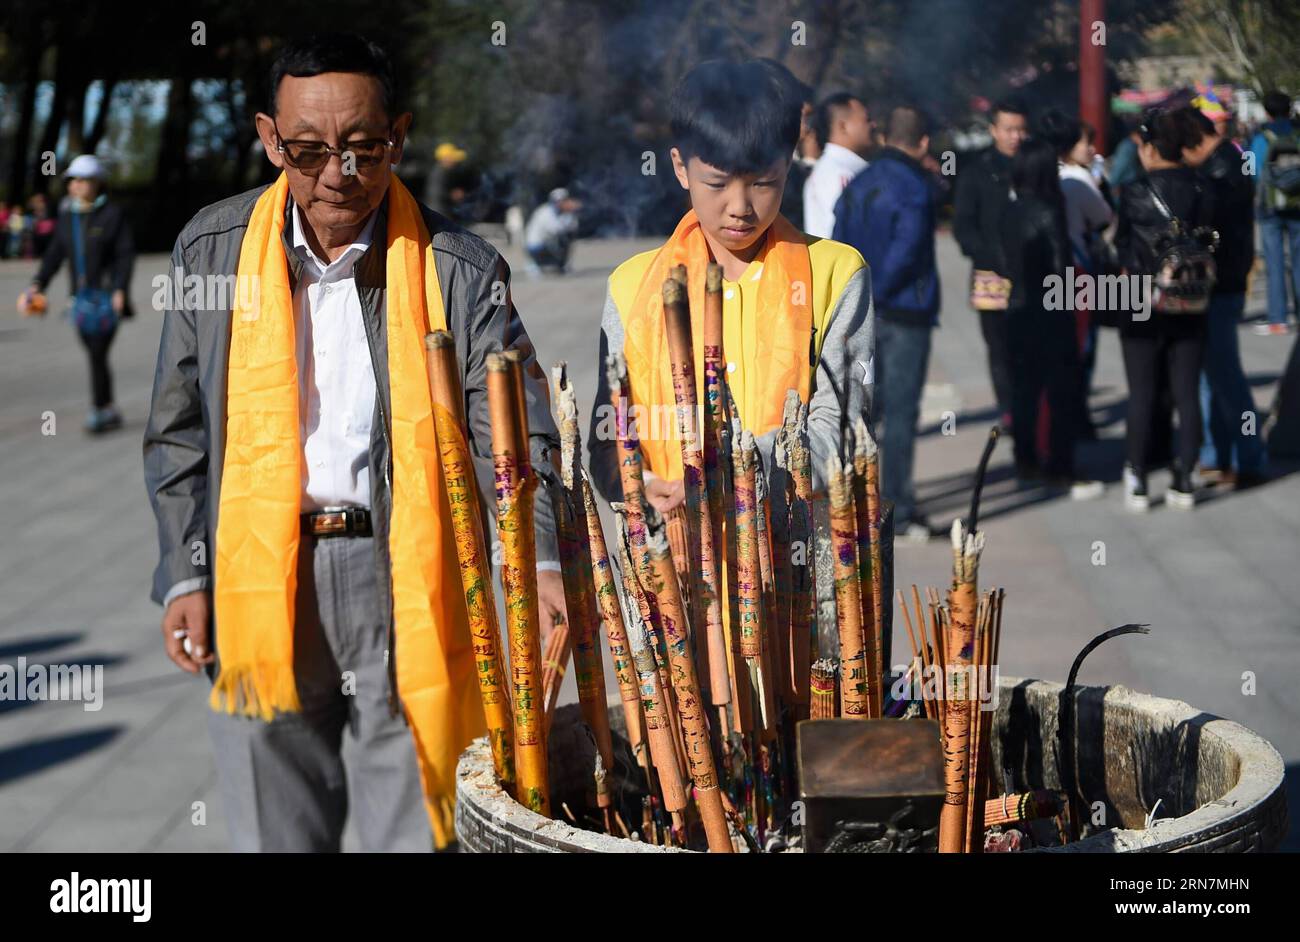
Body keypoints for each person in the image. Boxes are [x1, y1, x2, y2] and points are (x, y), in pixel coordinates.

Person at [142, 32, 568, 852]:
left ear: (398, 135)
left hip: (412, 574)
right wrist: (184, 570)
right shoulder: (211, 251)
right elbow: (177, 431)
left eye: (363, 149)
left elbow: (515, 436)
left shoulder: (459, 268)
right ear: (269, 139)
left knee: (414, 818)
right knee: (274, 825)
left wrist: (537, 561)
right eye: (306, 151)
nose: (337, 173)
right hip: (259, 574)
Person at [587, 58, 873, 519]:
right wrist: (639, 484)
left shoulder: (835, 273)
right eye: (717, 183)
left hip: (798, 564)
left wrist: (726, 472)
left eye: (763, 183)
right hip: (678, 564)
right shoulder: (632, 285)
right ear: (681, 167)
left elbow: (842, 431)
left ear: (789, 164)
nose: (739, 207)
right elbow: (609, 432)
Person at [832, 105, 940, 541]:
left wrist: (859, 292)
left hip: (860, 312)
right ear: (924, 142)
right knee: (900, 410)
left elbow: (836, 243)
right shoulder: (914, 186)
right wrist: (882, 287)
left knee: (862, 408)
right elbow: (909, 247)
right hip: (904, 311)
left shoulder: (858, 184)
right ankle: (897, 503)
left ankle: (857, 500)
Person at [1114, 108, 1214, 511]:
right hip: (1190, 297)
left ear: (1151, 148)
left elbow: (1121, 244)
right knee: (1186, 390)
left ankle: (1137, 477)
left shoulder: (1135, 192)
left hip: (1139, 298)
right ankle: (1185, 477)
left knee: (1141, 392)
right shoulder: (1202, 188)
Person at [999, 138, 1102, 499]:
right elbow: (1060, 267)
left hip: (1016, 308)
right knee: (1061, 392)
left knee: (1024, 391)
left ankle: (1025, 460)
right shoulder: (1049, 209)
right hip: (1050, 311)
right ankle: (1061, 465)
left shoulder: (1009, 209)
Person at [1181, 105, 1267, 488]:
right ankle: (1217, 455)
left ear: (1194, 142)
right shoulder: (1230, 161)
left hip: (1221, 286)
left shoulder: (1219, 172)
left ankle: (1248, 458)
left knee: (1225, 376)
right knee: (1211, 375)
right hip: (1224, 284)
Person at [18, 155, 135, 433]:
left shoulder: (111, 215)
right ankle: (107, 407)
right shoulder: (67, 216)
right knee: (95, 353)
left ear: (97, 183)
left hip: (107, 300)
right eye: (73, 180)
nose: (77, 186)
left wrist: (120, 289)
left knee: (97, 351)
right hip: (80, 302)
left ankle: (100, 409)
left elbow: (124, 255)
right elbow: (54, 255)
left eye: (83, 180)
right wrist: (38, 284)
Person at [1039, 109, 1115, 438]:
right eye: (1084, 142)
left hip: (1043, 275)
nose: (1091, 149)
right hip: (1078, 271)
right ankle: (1073, 417)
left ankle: (1052, 422)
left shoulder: (1037, 176)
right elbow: (1104, 216)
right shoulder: (1078, 180)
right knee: (1081, 346)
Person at [954, 99, 1028, 429]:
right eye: (1009, 130)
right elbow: (963, 226)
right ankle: (1009, 409)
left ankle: (1033, 407)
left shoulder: (1036, 165)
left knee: (1029, 343)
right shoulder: (977, 172)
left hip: (1032, 272)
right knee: (998, 346)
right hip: (990, 273)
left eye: (1021, 130)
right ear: (994, 130)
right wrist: (988, 256)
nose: (1015, 136)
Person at [1249, 90, 1300, 335]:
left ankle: (1278, 318)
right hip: (1297, 204)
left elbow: (1250, 169)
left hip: (1269, 207)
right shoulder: (1297, 133)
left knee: (1275, 261)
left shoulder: (1261, 137)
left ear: (1267, 111)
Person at [803, 91, 875, 238]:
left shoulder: (833, 169)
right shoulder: (840, 174)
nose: (873, 125)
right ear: (843, 126)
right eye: (866, 120)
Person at [524, 187, 582, 273]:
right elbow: (556, 230)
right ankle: (536, 264)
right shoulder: (544, 212)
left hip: (548, 244)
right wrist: (569, 213)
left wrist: (573, 213)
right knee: (563, 238)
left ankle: (561, 266)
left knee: (568, 237)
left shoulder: (564, 214)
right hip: (536, 247)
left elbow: (574, 228)